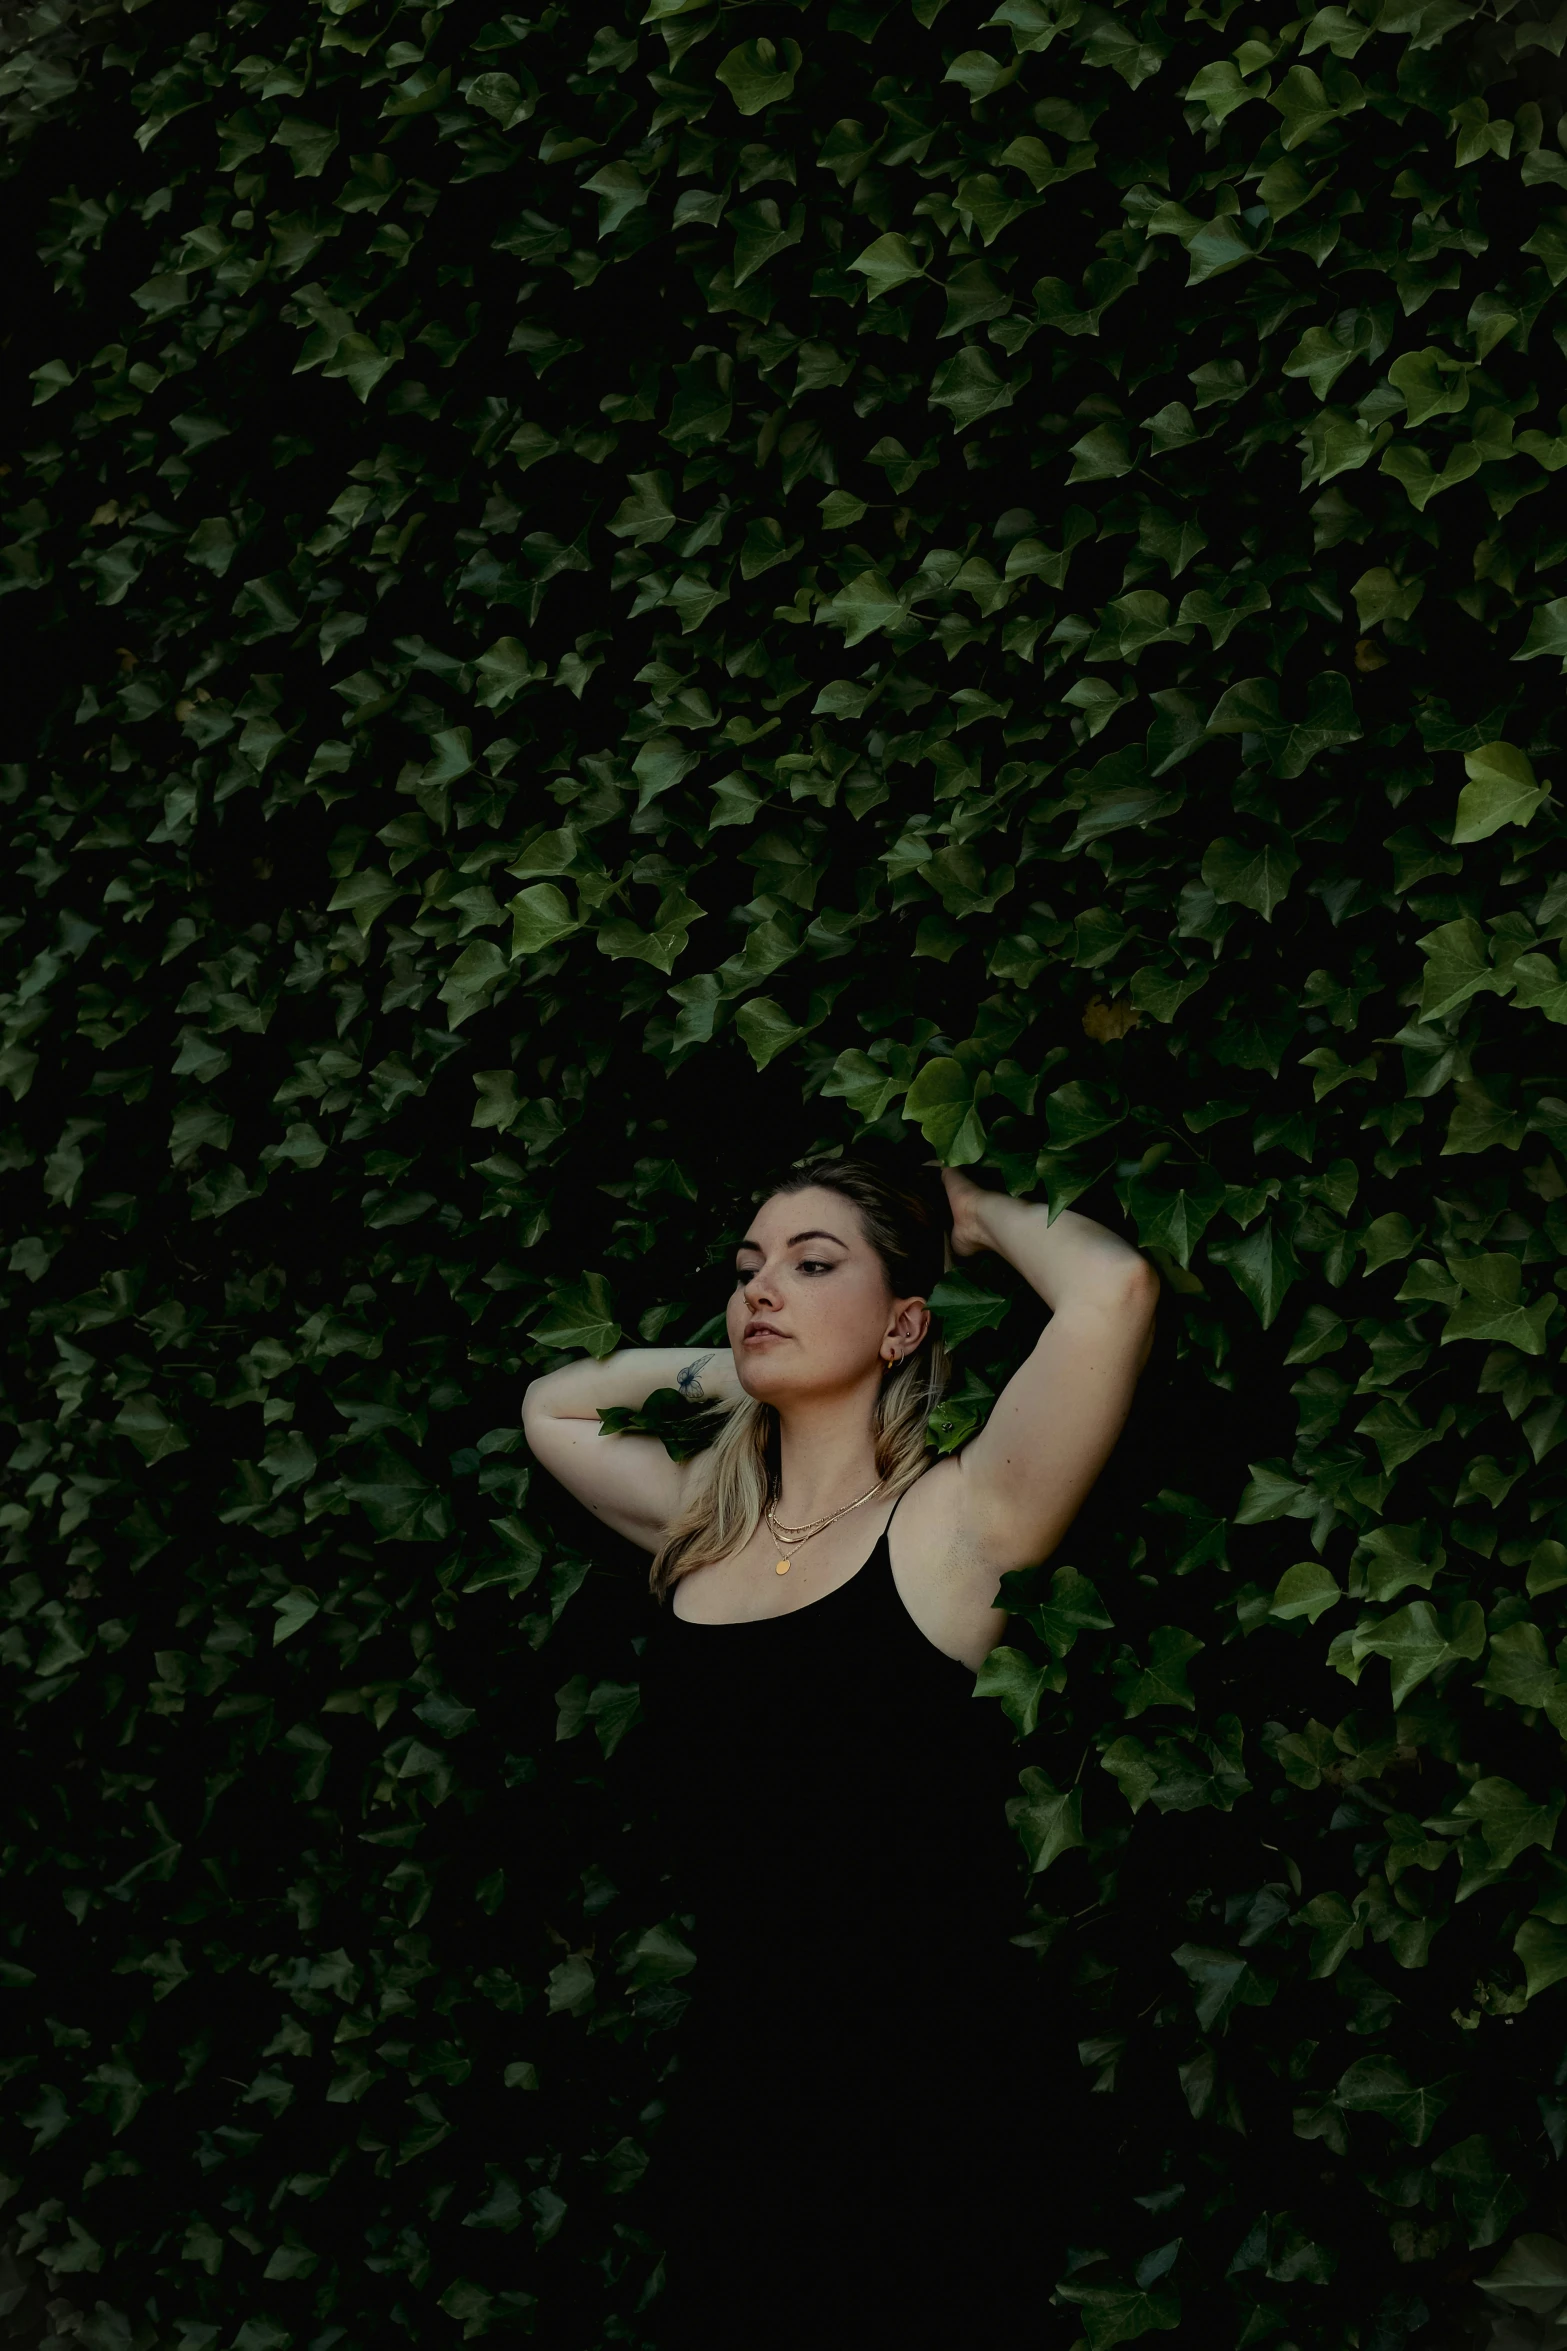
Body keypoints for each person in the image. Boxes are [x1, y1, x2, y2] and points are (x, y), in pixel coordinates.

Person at [522, 1150, 1158, 2347]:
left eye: (815, 1265)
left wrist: (972, 1213)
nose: (764, 1286)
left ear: (905, 1320)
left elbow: (1109, 1293)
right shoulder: (706, 1531)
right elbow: (551, 1404)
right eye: (749, 1268)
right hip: (739, 2095)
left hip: (928, 2102)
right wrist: (766, 1362)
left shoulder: (955, 1525)